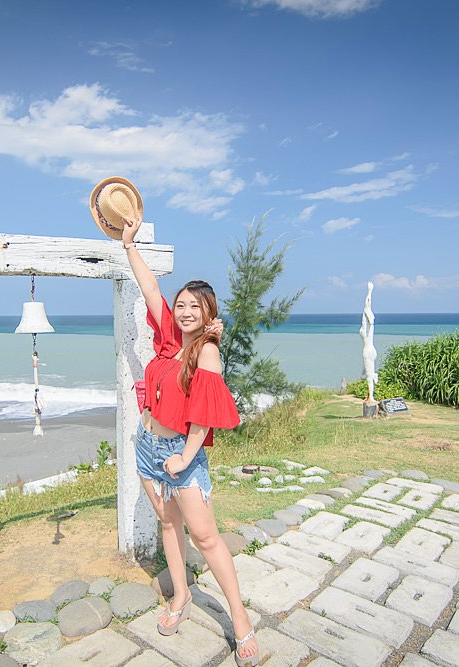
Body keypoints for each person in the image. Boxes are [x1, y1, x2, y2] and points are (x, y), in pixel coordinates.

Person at [121, 215, 260, 666]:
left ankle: (239, 620)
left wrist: (183, 457)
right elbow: (147, 289)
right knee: (167, 523)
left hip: (182, 455)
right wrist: (129, 246)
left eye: (194, 308)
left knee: (206, 537)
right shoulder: (166, 342)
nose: (183, 312)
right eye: (180, 304)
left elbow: (203, 417)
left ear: (208, 314)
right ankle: (180, 596)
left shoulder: (207, 352)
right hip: (147, 447)